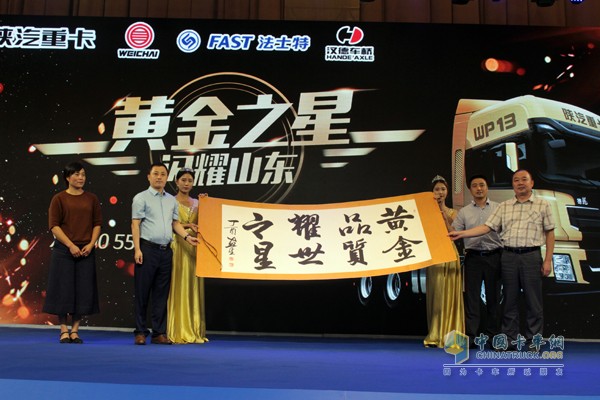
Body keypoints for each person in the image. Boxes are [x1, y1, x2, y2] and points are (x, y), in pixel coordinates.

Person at [449, 169, 555, 349]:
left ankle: (533, 340)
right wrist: (462, 234)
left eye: (524, 179)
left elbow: (550, 233)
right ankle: (509, 339)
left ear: (531, 183)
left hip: (531, 256)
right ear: (512, 185)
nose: (520, 183)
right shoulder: (504, 206)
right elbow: (486, 227)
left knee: (533, 301)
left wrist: (547, 260)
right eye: (516, 180)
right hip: (508, 257)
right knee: (509, 301)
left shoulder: (543, 205)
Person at [131, 163, 199, 345]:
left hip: (166, 251)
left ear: (167, 177)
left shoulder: (171, 200)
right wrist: (137, 249)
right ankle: (140, 332)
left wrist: (187, 237)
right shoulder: (141, 198)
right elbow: (135, 224)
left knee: (161, 294)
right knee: (142, 293)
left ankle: (158, 333)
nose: (159, 177)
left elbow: (175, 223)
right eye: (156, 174)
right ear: (149, 176)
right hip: (147, 249)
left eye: (162, 174)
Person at [43, 161, 102, 344]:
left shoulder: (91, 198)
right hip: (64, 250)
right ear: (68, 177)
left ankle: (75, 330)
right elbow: (54, 226)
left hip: (85, 250)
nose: (80, 178)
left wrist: (91, 244)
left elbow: (97, 224)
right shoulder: (59, 198)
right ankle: (63, 329)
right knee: (63, 289)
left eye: (83, 174)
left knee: (83, 290)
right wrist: (70, 245)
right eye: (76, 174)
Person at [452, 175, 503, 348]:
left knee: (493, 298)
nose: (479, 188)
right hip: (473, 257)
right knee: (471, 298)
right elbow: (454, 232)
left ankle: (493, 336)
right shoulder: (464, 212)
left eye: (482, 185)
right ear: (470, 189)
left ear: (487, 187)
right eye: (474, 185)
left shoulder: (498, 208)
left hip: (494, 256)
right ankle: (471, 337)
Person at [167, 168, 208, 344]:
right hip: (177, 246)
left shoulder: (198, 203)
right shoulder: (169, 201)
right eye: (183, 180)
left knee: (193, 285)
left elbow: (207, 222)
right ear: (176, 182)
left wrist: (207, 204)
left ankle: (194, 329)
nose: (186, 183)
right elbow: (168, 223)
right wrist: (187, 226)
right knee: (178, 284)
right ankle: (178, 329)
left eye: (190, 180)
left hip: (195, 248)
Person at [423, 175, 465, 348]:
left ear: (447, 192)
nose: (440, 192)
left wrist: (442, 211)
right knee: (437, 294)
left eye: (443, 189)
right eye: (436, 189)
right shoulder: (425, 213)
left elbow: (453, 232)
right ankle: (435, 334)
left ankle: (452, 336)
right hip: (435, 254)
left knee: (451, 295)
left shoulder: (453, 212)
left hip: (449, 253)